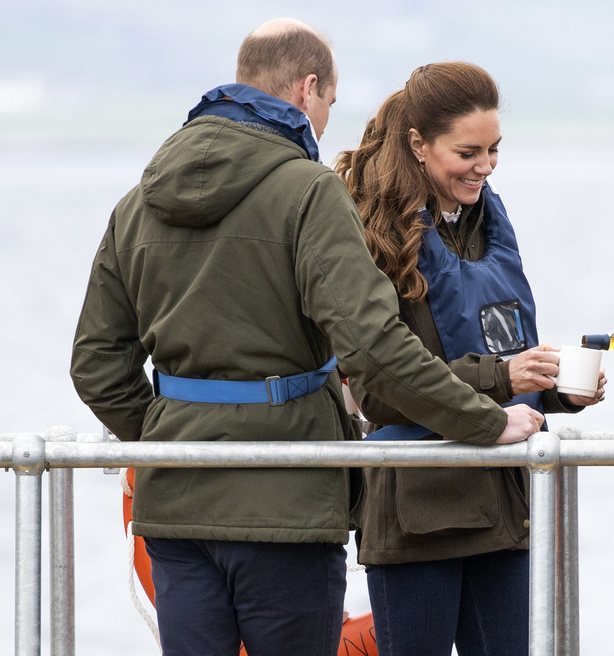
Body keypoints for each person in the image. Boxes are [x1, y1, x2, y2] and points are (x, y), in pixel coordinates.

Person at [70, 20, 543, 656]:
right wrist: (484, 420)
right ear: (308, 87)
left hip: (176, 499)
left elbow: (96, 364)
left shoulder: (135, 204)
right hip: (290, 501)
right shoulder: (309, 190)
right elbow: (373, 346)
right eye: (328, 104)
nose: (323, 123)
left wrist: (167, 432)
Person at [335, 61, 605, 656]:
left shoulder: (484, 225)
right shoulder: (370, 236)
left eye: (494, 149)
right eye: (468, 152)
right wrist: (504, 377)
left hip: (505, 516)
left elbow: (505, 362)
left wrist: (556, 388)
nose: (485, 166)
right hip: (417, 518)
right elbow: (377, 389)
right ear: (418, 145)